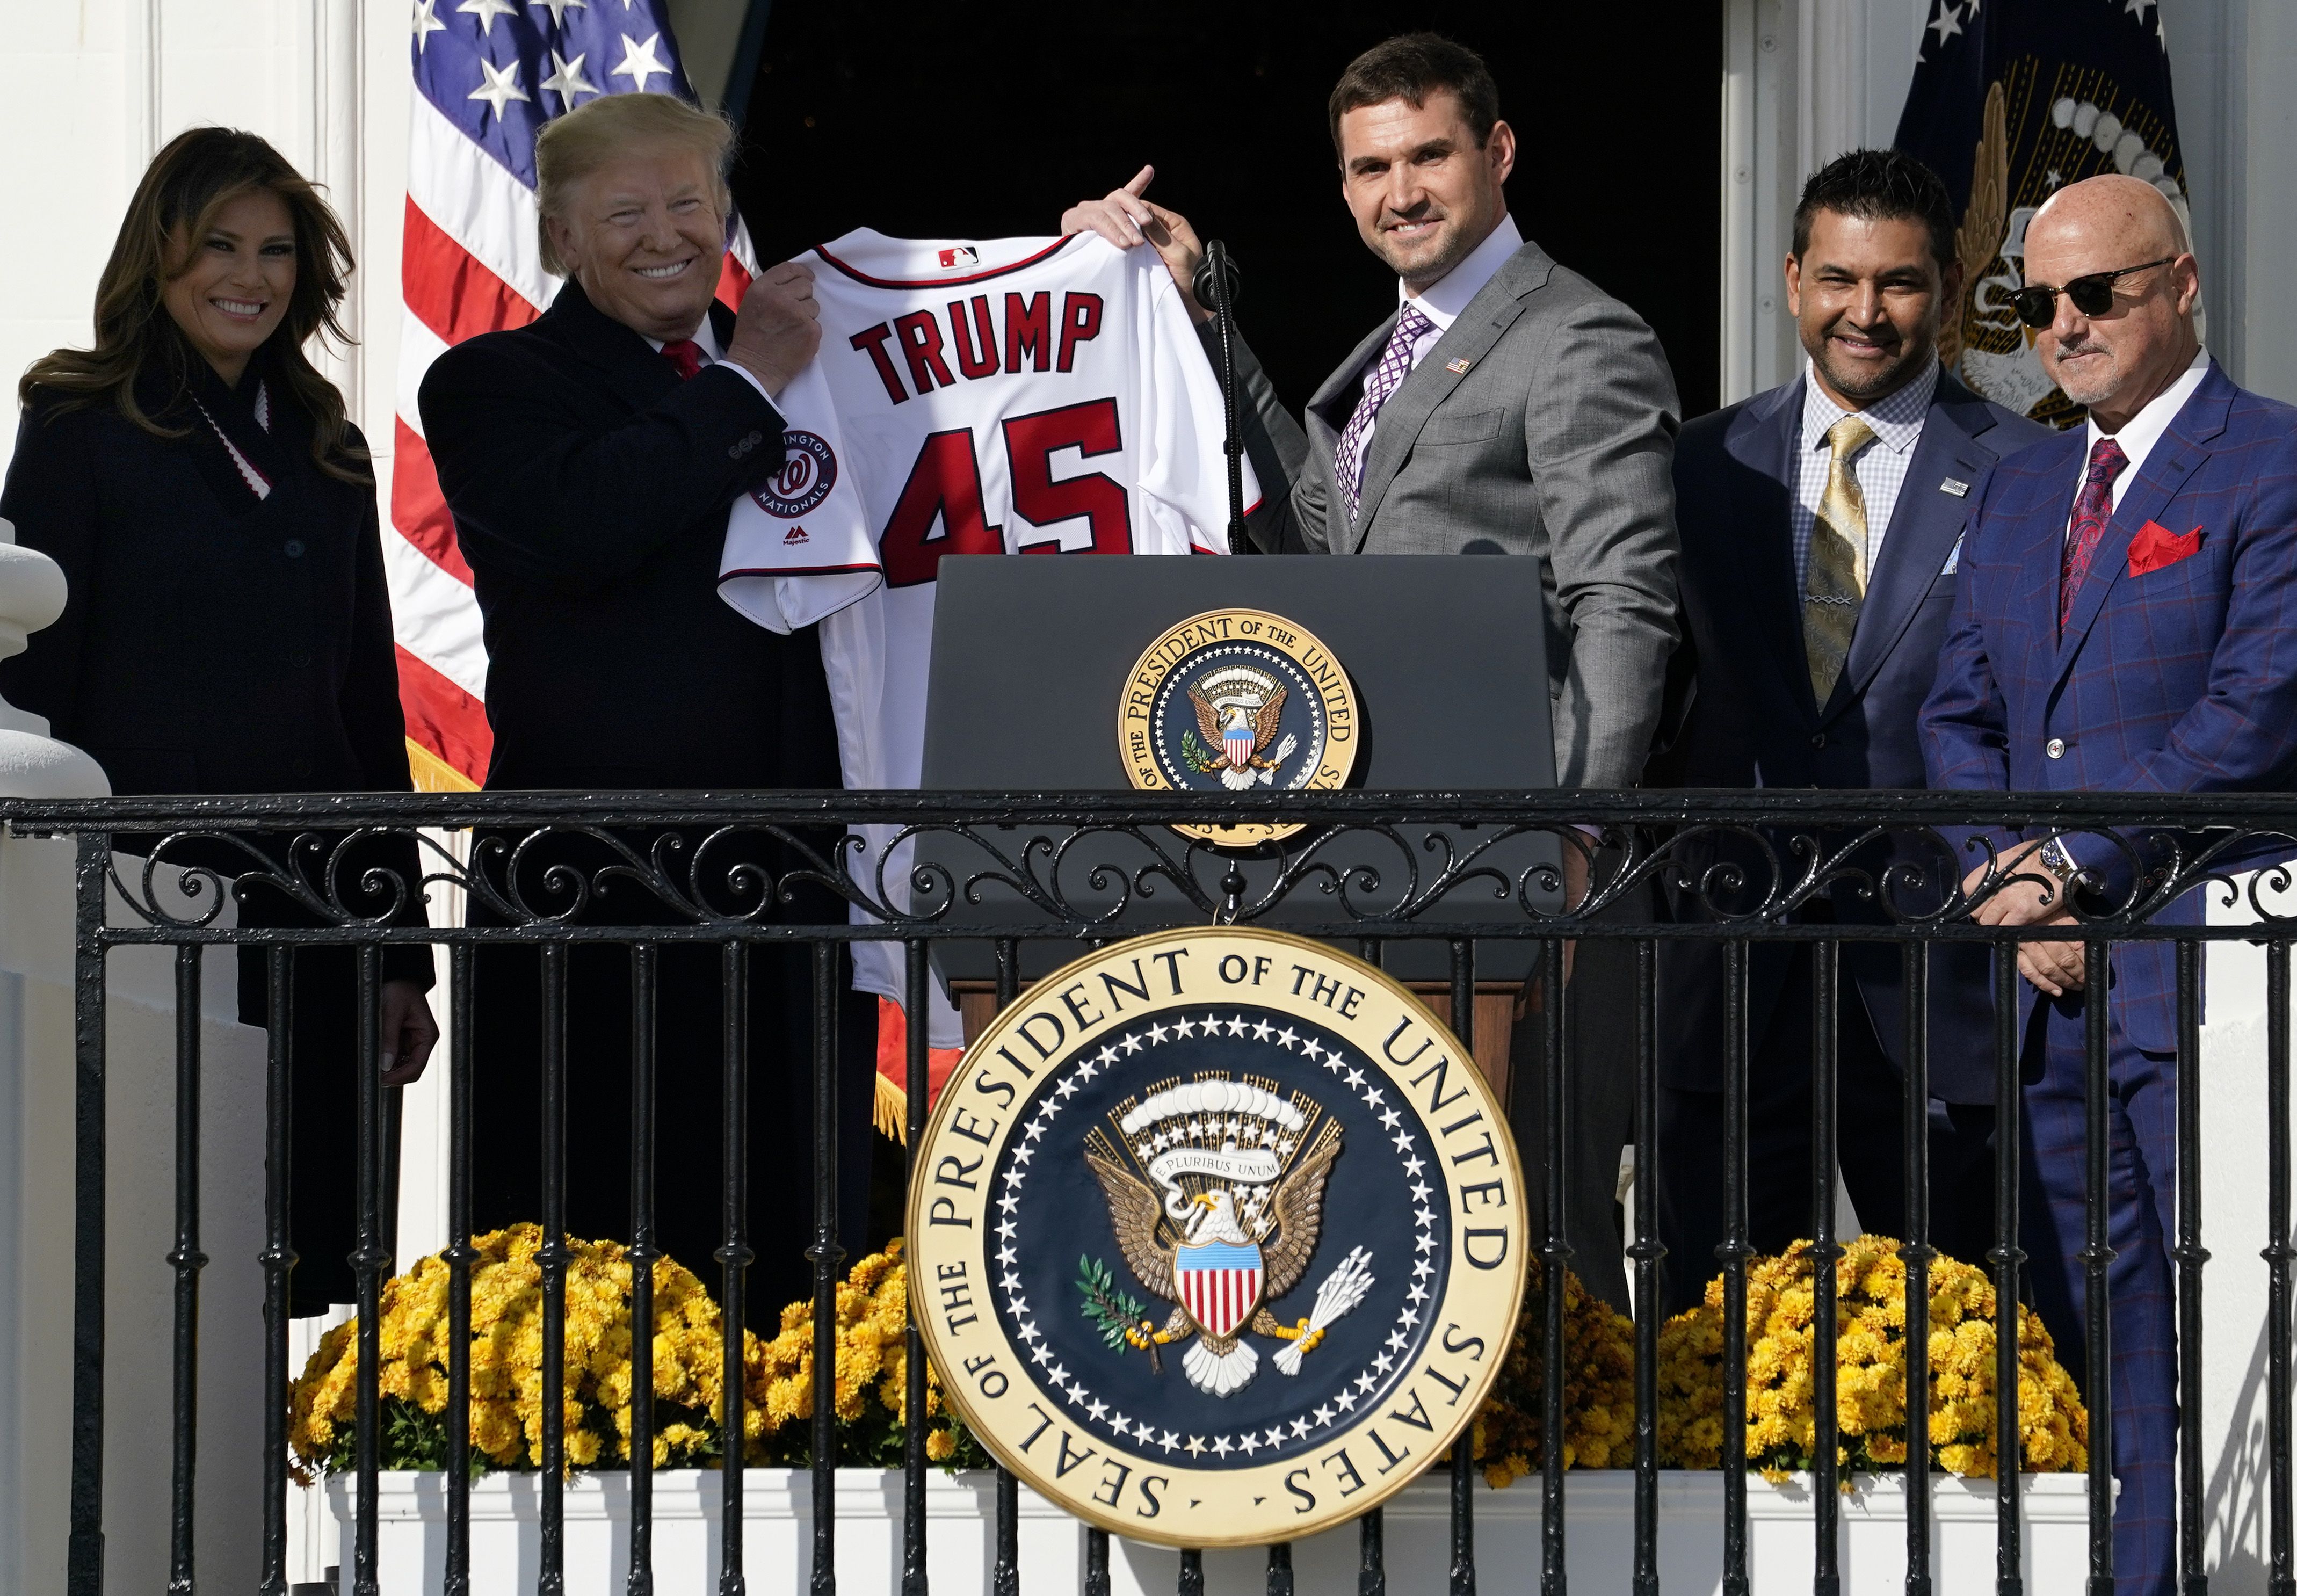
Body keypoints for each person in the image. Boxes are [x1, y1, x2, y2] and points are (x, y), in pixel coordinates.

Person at [1063, 32, 1681, 1309]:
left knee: (1529, 1227)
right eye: (1369, 167)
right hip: (1379, 860)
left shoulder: (1579, 334)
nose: (1399, 190)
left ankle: (1551, 1504)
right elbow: (1319, 542)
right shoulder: (1393, 346)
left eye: (1428, 156)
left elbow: (1623, 599)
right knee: (1404, 1237)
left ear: (1497, 153)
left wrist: (1576, 830)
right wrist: (1197, 310)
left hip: (1524, 872)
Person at [417, 92, 873, 1316]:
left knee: (803, 1250)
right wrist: (750, 384)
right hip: (596, 886)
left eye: (689, 203)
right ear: (561, 239)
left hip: (792, 882)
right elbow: (583, 521)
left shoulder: (817, 361)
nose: (665, 233)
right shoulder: (489, 381)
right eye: (624, 211)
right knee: (593, 1264)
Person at [1922, 173, 2297, 1596]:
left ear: (2180, 285)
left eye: (2099, 293)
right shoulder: (2018, 479)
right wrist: (2003, 883)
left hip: (2200, 974)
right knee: (2111, 1323)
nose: (2063, 325)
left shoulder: (2263, 463)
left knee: (2237, 1309)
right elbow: (1954, 718)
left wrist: (2072, 865)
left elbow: (2253, 710)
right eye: (2037, 300)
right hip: (2048, 982)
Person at [0, 127, 438, 1316]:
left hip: (321, 902)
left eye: (279, 252)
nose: (251, 276)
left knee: (301, 1256)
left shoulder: (326, 441)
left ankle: (268, 1508)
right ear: (162, 255)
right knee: (154, 1249)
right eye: (221, 247)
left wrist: (402, 953)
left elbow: (368, 705)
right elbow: (37, 688)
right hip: (155, 899)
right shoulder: (79, 422)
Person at [1646, 150, 2047, 1315]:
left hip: (1938, 974)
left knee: (1979, 1342)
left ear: (1953, 287)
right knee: (1708, 1340)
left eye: (1900, 283)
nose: (1865, 313)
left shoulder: (2032, 470)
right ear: (1790, 279)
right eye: (1838, 278)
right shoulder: (1699, 463)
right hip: (1733, 962)